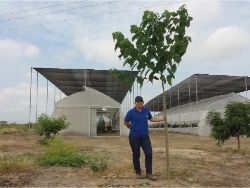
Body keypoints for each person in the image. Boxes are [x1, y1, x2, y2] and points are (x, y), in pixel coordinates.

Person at [124, 96, 163, 180]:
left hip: (145, 136)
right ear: (135, 103)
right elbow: (126, 122)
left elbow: (151, 118)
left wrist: (161, 119)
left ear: (143, 102)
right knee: (136, 154)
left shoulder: (146, 111)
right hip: (134, 137)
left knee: (149, 153)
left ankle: (149, 173)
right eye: (137, 102)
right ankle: (138, 172)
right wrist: (131, 128)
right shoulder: (131, 112)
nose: (139, 103)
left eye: (141, 101)